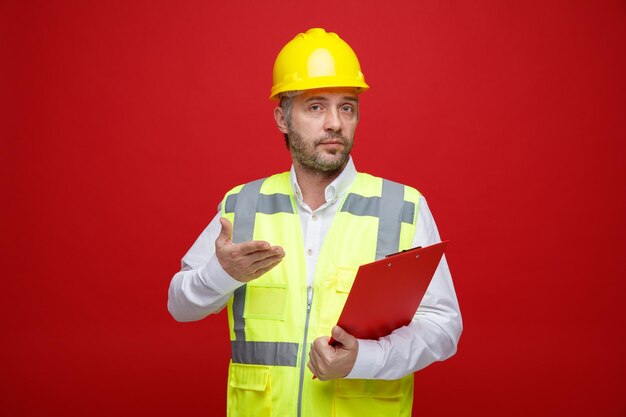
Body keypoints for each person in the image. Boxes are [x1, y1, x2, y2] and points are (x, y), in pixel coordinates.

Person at [168, 28, 462, 417]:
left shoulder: (404, 207)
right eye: (315, 107)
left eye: (347, 107)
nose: (335, 124)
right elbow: (179, 305)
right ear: (282, 118)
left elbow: (444, 328)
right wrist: (222, 274)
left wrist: (364, 359)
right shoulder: (242, 206)